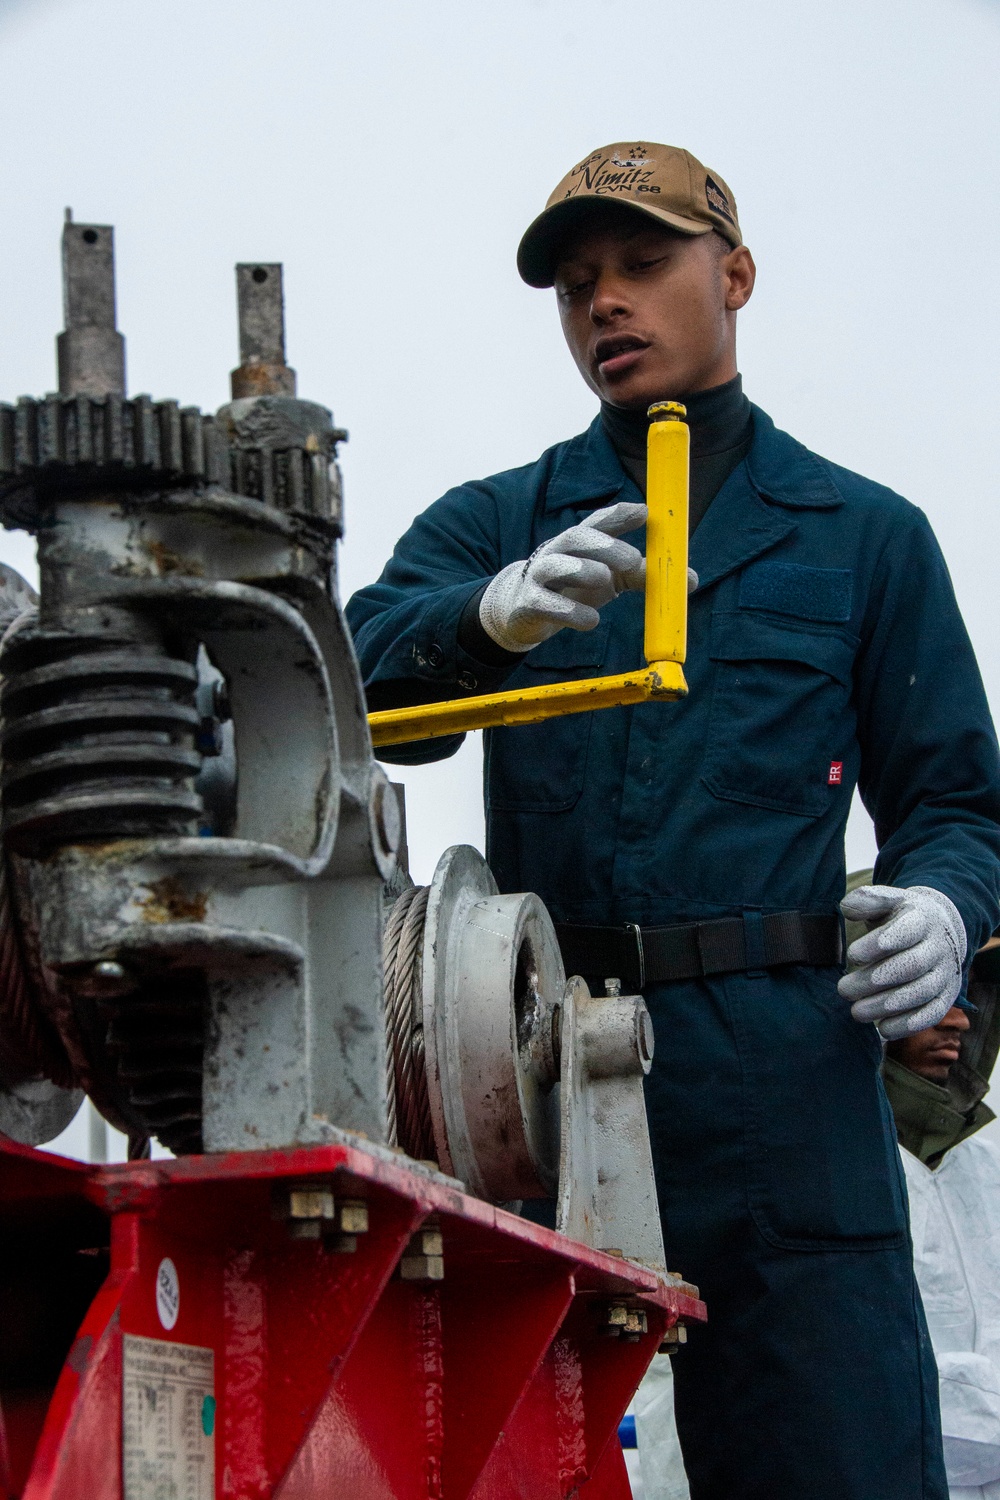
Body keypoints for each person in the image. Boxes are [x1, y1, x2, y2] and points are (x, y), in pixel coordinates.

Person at [346, 141, 1000, 1498]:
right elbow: (348, 693)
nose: (606, 306)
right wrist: (482, 616)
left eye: (645, 266)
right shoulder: (499, 523)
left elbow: (958, 804)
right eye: (579, 284)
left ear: (737, 276)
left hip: (785, 1080)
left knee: (840, 1463)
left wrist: (943, 905)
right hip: (533, 1069)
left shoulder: (865, 538)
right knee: (518, 1461)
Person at [882, 928, 1000, 1500]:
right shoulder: (812, 1156)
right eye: (934, 993)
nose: (958, 1021)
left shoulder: (989, 1157)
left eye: (970, 996)